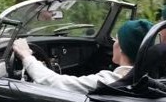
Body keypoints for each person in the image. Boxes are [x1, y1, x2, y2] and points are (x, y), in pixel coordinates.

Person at [12, 17, 152, 94]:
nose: (113, 42)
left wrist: (26, 56)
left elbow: (56, 82)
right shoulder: (149, 77)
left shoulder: (111, 81)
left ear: (121, 48)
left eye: (116, 39)